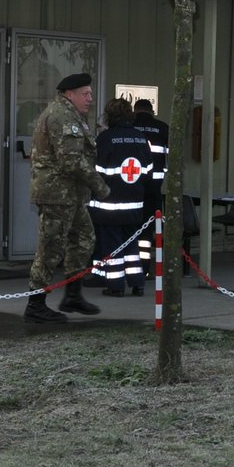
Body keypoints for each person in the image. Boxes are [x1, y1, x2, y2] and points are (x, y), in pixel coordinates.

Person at [24, 73, 108, 323]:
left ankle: (73, 293)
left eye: (91, 94)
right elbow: (71, 161)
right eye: (86, 94)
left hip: (71, 196)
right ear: (69, 94)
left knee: (83, 238)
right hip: (56, 195)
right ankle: (35, 304)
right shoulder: (61, 116)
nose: (90, 99)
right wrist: (100, 186)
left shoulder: (74, 116)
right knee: (50, 248)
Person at [89, 98, 155, 296]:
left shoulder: (106, 139)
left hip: (109, 206)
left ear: (110, 115)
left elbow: (95, 171)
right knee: (131, 244)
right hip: (134, 205)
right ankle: (137, 283)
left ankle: (115, 286)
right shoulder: (140, 138)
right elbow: (148, 170)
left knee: (112, 246)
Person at [131, 98, 170, 276]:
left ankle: (130, 268)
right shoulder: (163, 128)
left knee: (129, 229)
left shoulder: (129, 126)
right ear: (152, 111)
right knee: (147, 232)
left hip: (132, 187)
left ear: (135, 110)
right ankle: (145, 269)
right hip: (154, 188)